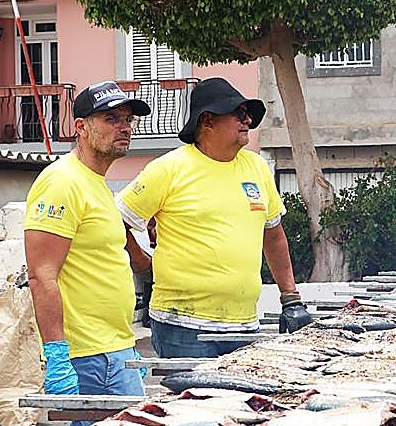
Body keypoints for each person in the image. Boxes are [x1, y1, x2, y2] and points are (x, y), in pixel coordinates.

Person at [116, 77, 313, 358]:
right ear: (207, 121)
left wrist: (291, 298)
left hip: (244, 325)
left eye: (248, 115)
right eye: (238, 114)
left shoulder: (257, 168)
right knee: (189, 403)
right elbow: (116, 220)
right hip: (182, 326)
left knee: (248, 403)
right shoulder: (169, 169)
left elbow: (274, 235)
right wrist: (142, 265)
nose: (247, 121)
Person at [25, 80, 152, 402]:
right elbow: (42, 275)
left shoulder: (95, 183)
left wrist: (127, 351)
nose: (124, 127)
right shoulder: (62, 182)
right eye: (111, 119)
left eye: (128, 120)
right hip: (88, 356)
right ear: (80, 127)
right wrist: (56, 355)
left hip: (115, 349)